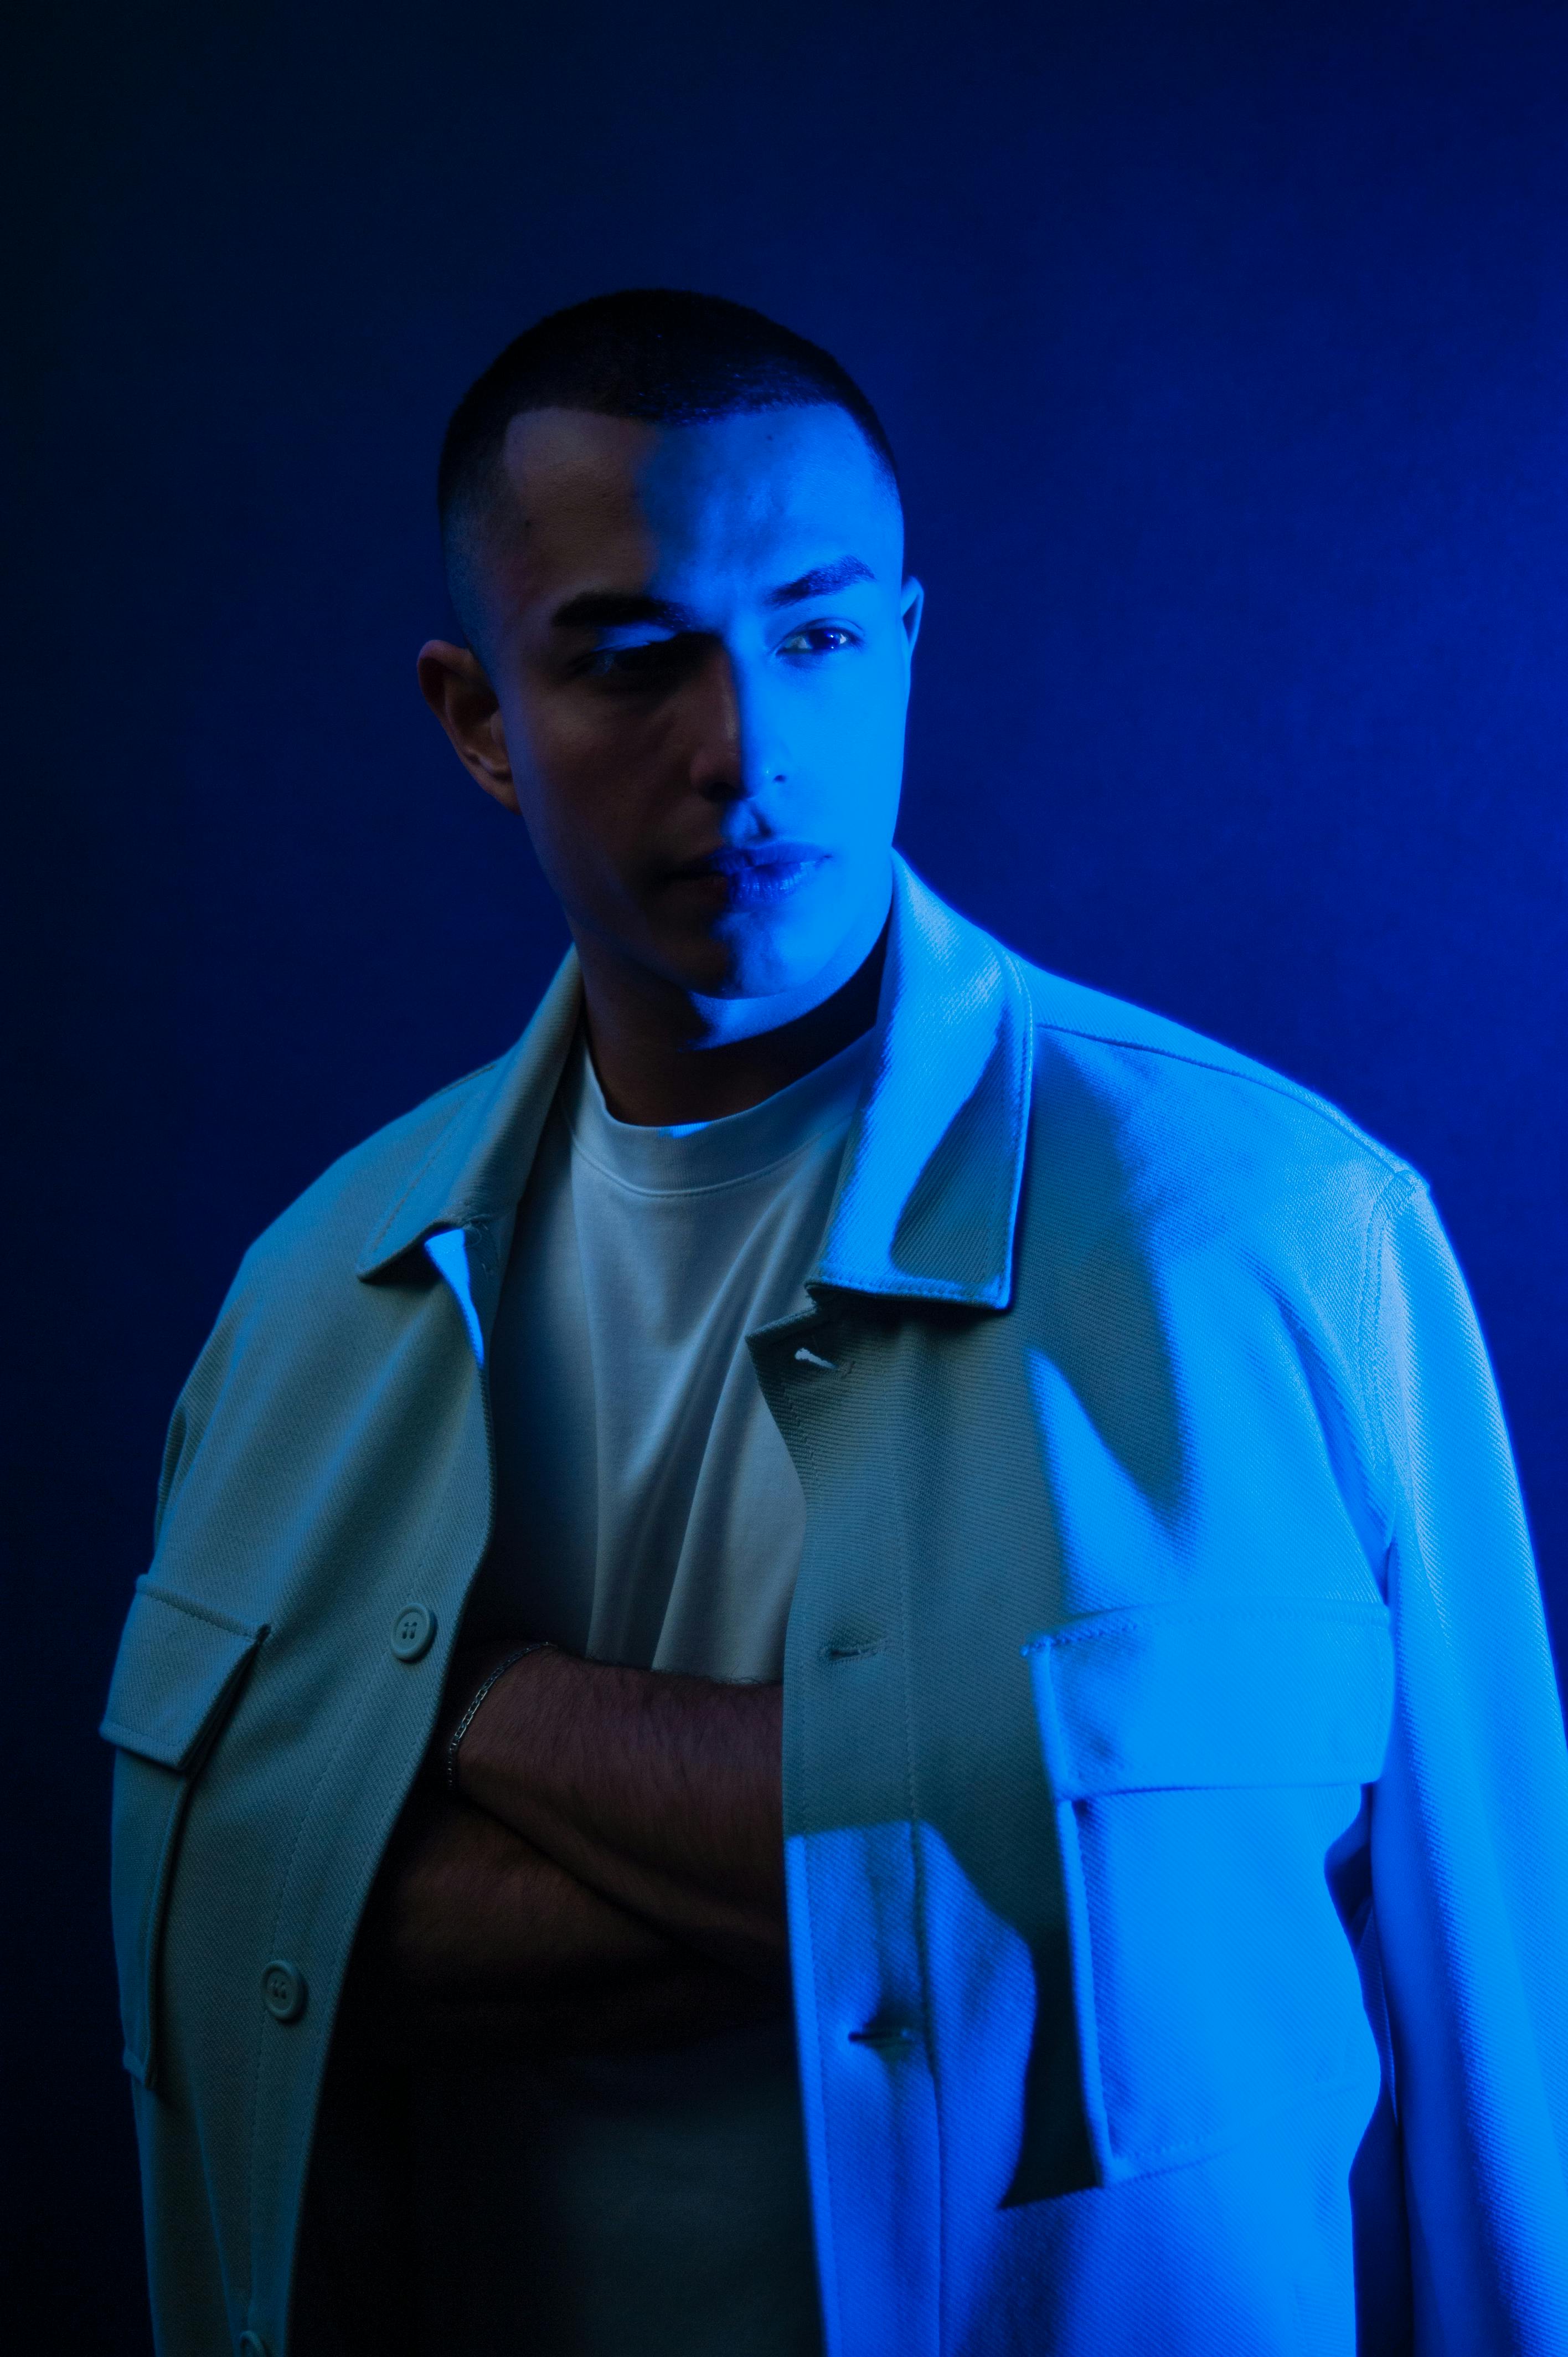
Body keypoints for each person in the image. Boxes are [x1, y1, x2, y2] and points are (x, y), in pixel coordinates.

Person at [104, 289, 1568, 2357]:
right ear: (475, 717)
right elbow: (269, 1952)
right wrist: (939, 1871)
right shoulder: (302, 1307)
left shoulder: (1279, 1239)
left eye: (812, 635)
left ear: (901, 644)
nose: (746, 754)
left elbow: (1493, 2035)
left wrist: (484, 1709)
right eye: (632, 660)